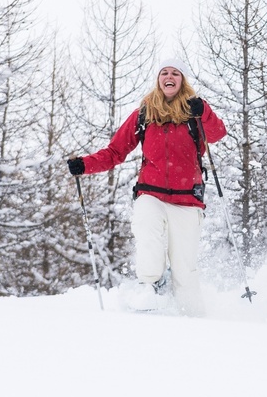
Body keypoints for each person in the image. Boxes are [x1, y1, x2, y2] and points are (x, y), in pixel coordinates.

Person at [67, 58, 226, 316]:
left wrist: (204, 111)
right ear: (158, 79)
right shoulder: (145, 112)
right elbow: (116, 151)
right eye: (164, 72)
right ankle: (151, 288)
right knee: (146, 227)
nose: (169, 76)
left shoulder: (195, 112)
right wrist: (84, 165)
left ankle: (193, 318)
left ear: (182, 80)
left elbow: (218, 133)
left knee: (185, 269)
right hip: (150, 193)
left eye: (175, 72)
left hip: (188, 200)